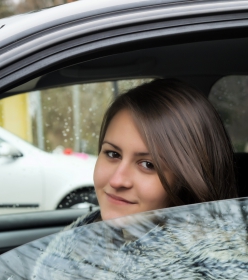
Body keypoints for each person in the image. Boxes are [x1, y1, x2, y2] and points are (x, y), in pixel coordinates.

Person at [32, 78, 240, 279]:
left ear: (186, 180)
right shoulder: (73, 249)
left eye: (148, 165)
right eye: (113, 154)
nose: (117, 180)